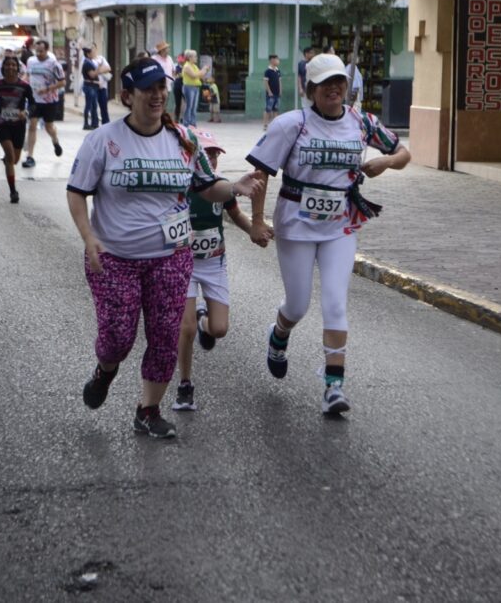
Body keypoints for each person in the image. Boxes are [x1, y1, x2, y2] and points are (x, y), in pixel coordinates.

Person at [66, 57, 262, 439]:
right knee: (117, 339)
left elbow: (208, 187)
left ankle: (148, 409)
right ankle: (105, 370)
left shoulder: (183, 140)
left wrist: (233, 188)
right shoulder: (103, 140)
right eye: (148, 89)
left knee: (165, 336)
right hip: (115, 260)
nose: (157, 95)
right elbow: (77, 193)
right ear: (127, 96)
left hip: (170, 258)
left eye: (162, 88)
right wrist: (88, 237)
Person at [245, 53, 411, 414]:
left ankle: (333, 387)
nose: (334, 88)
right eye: (325, 83)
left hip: (341, 224)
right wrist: (257, 221)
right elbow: (261, 173)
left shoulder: (362, 122)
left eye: (339, 81)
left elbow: (403, 152)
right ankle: (279, 334)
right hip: (296, 225)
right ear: (310, 89)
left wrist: (385, 161)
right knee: (299, 304)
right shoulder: (292, 124)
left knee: (336, 304)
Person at [172, 129, 255, 412]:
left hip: (214, 264)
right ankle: (185, 384)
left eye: (214, 155)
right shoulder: (181, 189)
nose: (210, 160)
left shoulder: (219, 187)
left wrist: (254, 230)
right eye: (205, 154)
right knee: (186, 328)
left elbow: (236, 215)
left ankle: (204, 320)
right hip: (184, 265)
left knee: (219, 329)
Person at [0, 57, 34, 204]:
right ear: (3, 68)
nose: (11, 67)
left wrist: (25, 113)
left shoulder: (25, 86)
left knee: (15, 160)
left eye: (14, 65)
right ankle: (13, 191)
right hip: (2, 123)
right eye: (8, 65)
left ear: (18, 68)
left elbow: (33, 104)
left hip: (19, 125)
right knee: (10, 156)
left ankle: (8, 163)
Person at [21, 40, 64, 168]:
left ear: (47, 50)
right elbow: (27, 76)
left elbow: (62, 83)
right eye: (37, 51)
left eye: (41, 51)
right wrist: (22, 83)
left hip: (49, 100)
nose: (38, 53)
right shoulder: (31, 61)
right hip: (34, 100)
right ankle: (30, 157)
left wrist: (47, 89)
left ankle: (55, 141)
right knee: (32, 126)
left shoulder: (54, 64)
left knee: (48, 127)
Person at [180, 49, 207, 127]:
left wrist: (204, 70)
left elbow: (200, 75)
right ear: (189, 57)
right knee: (189, 106)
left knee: (194, 107)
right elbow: (194, 75)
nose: (196, 58)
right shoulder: (187, 66)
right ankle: (186, 123)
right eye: (195, 56)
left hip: (195, 87)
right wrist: (203, 70)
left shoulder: (194, 66)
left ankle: (193, 123)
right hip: (189, 87)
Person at [90, 45, 112, 126]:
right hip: (93, 86)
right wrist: (100, 70)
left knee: (104, 106)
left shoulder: (101, 58)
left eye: (93, 49)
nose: (93, 51)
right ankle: (94, 123)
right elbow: (90, 73)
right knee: (93, 106)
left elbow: (108, 68)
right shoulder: (88, 60)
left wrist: (97, 71)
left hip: (103, 86)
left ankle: (106, 122)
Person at [152, 40, 174, 111]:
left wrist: (173, 77)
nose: (169, 50)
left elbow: (173, 69)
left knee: (165, 103)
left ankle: (162, 118)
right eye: (167, 48)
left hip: (168, 85)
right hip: (158, 84)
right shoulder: (154, 58)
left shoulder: (169, 58)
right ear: (162, 50)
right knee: (158, 103)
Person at [81, 46, 99, 130]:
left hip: (92, 86)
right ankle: (86, 123)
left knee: (93, 105)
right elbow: (92, 75)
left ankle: (94, 123)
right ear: (88, 54)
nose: (94, 54)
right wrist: (100, 69)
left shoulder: (90, 62)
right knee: (89, 105)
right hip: (89, 86)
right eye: (92, 52)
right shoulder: (87, 63)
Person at [263, 54, 281, 130]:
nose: (278, 61)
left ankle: (275, 125)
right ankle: (265, 125)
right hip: (271, 94)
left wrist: (280, 90)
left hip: (277, 93)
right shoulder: (267, 71)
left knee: (276, 110)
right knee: (268, 109)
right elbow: (265, 82)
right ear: (272, 60)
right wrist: (269, 92)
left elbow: (280, 81)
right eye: (277, 59)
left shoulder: (278, 70)